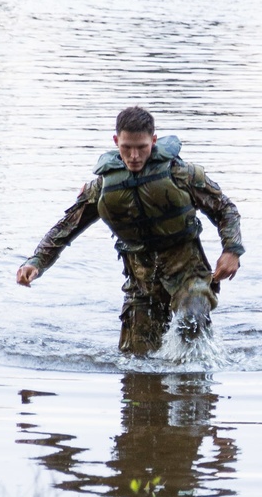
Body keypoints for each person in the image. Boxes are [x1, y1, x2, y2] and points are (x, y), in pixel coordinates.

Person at [16, 106, 244, 354]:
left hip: (188, 273)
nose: (134, 155)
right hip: (141, 284)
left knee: (191, 321)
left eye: (142, 147)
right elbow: (65, 228)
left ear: (153, 141)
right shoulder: (102, 187)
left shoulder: (182, 175)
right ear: (116, 141)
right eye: (126, 147)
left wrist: (231, 250)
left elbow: (225, 209)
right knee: (135, 359)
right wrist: (36, 262)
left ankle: (193, 385)